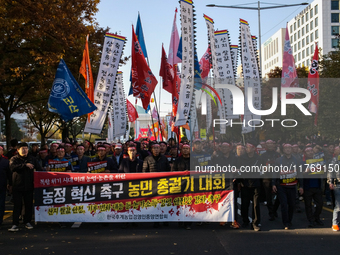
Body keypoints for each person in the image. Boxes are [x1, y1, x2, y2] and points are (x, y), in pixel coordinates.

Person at [8, 143, 42, 232]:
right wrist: (25, 165)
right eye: (23, 149)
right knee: (17, 205)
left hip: (29, 186)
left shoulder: (32, 159)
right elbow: (12, 167)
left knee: (28, 205)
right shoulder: (14, 159)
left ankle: (27, 221)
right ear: (18, 150)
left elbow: (39, 169)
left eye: (26, 148)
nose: (25, 150)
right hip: (17, 186)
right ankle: (15, 224)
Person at [272, 143, 303, 230]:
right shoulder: (278, 160)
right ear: (283, 150)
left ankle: (289, 220)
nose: (288, 149)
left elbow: (300, 173)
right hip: (281, 186)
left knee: (292, 205)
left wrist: (301, 186)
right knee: (284, 205)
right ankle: (286, 222)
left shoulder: (297, 160)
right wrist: (273, 183)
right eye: (286, 148)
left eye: (289, 148)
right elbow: (275, 172)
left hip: (292, 186)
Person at [237, 141, 262, 231]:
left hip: (256, 184)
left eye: (248, 147)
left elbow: (262, 170)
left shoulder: (258, 158)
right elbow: (238, 171)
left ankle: (255, 223)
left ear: (253, 148)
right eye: (246, 147)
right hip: (245, 184)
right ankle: (245, 221)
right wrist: (240, 182)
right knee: (245, 204)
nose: (246, 149)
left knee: (256, 205)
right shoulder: (241, 158)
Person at [302, 146, 324, 227]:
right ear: (305, 153)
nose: (310, 152)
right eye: (308, 151)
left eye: (311, 151)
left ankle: (316, 217)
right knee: (308, 205)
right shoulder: (303, 163)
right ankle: (311, 220)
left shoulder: (318, 161)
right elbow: (300, 174)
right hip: (307, 187)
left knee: (320, 204)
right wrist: (306, 172)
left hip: (317, 186)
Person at [260, 139, 281, 221]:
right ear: (265, 146)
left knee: (279, 196)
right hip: (267, 178)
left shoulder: (278, 155)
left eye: (271, 144)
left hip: (277, 177)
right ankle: (271, 213)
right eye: (268, 144)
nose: (269, 145)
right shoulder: (263, 156)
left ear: (274, 145)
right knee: (269, 197)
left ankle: (274, 209)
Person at [328, 146, 340, 231]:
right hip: (338, 184)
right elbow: (330, 171)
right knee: (338, 205)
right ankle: (335, 223)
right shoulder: (335, 160)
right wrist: (330, 182)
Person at [0, 145, 12, 226]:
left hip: (2, 187)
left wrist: (10, 184)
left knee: (1, 205)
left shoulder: (5, 162)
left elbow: (9, 175)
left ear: (2, 152)